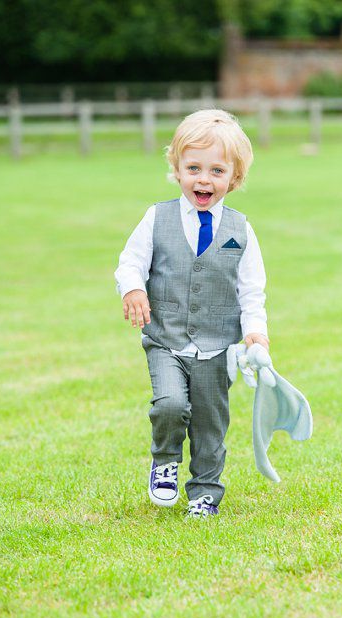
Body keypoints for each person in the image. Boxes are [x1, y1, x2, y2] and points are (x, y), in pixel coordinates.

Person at [115, 109, 269, 517]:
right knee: (169, 405)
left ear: (233, 178)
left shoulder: (241, 230)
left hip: (217, 348)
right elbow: (130, 262)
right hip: (165, 338)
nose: (204, 179)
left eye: (217, 170)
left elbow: (251, 290)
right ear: (177, 169)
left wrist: (256, 333)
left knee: (209, 424)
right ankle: (165, 461)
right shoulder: (156, 218)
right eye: (194, 168)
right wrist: (132, 288)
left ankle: (205, 493)